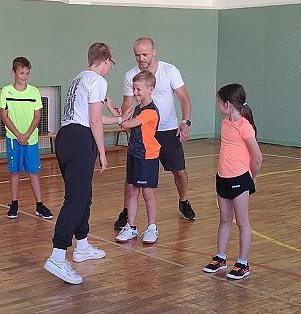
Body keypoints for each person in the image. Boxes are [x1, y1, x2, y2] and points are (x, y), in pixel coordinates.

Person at [43, 43, 121, 284]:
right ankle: (57, 256)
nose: (110, 67)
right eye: (111, 63)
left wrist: (118, 119)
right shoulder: (98, 81)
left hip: (65, 138)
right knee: (76, 200)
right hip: (79, 140)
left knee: (84, 195)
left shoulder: (79, 79)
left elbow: (90, 116)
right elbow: (94, 121)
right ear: (106, 60)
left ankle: (82, 245)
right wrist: (103, 152)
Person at [116, 37, 195, 229]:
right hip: (142, 133)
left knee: (179, 170)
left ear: (154, 52)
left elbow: (184, 98)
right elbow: (128, 103)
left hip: (167, 130)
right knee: (131, 178)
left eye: (144, 54)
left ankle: (183, 200)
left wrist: (185, 122)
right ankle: (126, 212)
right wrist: (125, 121)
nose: (141, 58)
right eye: (137, 55)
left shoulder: (170, 70)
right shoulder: (130, 75)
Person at [202, 84, 262, 280]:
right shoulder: (224, 123)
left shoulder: (245, 126)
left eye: (219, 102)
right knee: (225, 219)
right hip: (222, 177)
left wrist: (252, 177)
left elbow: (257, 157)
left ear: (227, 104)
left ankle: (243, 263)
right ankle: (220, 257)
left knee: (242, 222)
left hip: (240, 179)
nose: (218, 105)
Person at [0, 56, 53, 220]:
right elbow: (4, 116)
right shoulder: (6, 91)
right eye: (21, 73)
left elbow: (37, 116)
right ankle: (14, 204)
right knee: (14, 172)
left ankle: (40, 205)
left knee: (33, 172)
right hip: (13, 139)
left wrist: (27, 134)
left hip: (31, 139)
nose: (25, 76)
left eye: (27, 73)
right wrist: (18, 135)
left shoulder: (34, 91)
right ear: (13, 73)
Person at [114, 70, 161, 244]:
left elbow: (126, 123)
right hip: (134, 153)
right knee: (133, 191)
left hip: (147, 157)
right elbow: (128, 128)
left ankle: (152, 227)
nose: (135, 92)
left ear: (150, 89)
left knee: (147, 193)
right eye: (134, 89)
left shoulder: (150, 112)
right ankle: (131, 227)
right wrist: (120, 116)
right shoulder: (137, 108)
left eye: (138, 89)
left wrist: (113, 111)